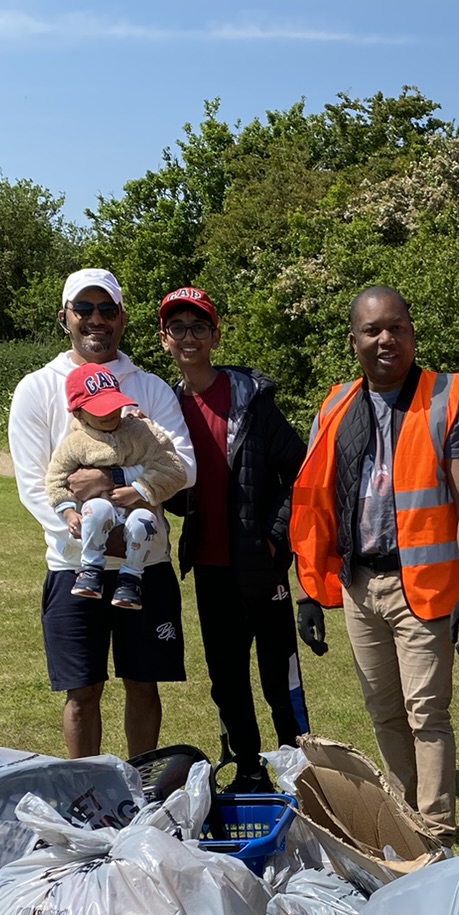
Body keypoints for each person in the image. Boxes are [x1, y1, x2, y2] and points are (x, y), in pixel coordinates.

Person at [288, 285, 459, 834]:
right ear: (353, 340)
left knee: (427, 712)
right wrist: (309, 592)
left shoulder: (449, 401)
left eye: (396, 327)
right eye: (373, 330)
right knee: (384, 713)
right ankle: (407, 826)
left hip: (423, 585)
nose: (385, 340)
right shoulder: (332, 409)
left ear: (412, 332)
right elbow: (313, 508)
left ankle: (438, 829)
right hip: (359, 585)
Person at [9, 268, 197, 759]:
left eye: (107, 309)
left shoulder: (150, 388)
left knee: (143, 684)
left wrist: (110, 486)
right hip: (74, 567)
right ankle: (88, 798)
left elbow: (185, 467)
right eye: (84, 309)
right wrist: (94, 531)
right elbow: (36, 486)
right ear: (65, 318)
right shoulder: (36, 389)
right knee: (82, 692)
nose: (96, 320)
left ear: (122, 318)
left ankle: (141, 796)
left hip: (145, 564)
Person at [156, 285, 312, 789]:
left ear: (215, 335)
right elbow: (172, 484)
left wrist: (272, 536)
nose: (188, 337)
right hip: (209, 565)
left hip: (260, 565)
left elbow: (301, 472)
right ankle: (247, 768)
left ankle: (301, 768)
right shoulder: (164, 406)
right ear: (164, 338)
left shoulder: (252, 399)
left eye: (198, 326)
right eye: (177, 327)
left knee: (278, 674)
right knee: (226, 678)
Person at [47, 363, 190, 610]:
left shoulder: (141, 432)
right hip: (97, 516)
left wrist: (138, 489)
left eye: (114, 405)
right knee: (97, 509)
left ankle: (131, 578)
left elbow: (174, 469)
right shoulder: (75, 443)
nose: (111, 414)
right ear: (79, 414)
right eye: (100, 410)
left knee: (143, 521)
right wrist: (69, 512)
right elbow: (55, 479)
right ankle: (90, 569)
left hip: (137, 510)